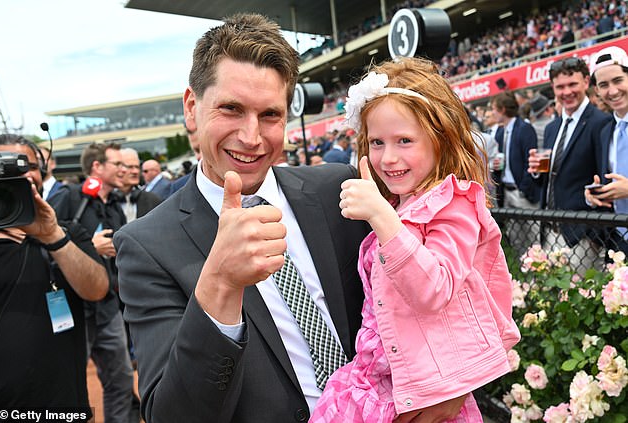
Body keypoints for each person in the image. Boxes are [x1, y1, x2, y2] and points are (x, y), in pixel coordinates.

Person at [113, 13, 466, 423]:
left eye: (270, 115)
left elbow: (441, 283)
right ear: (192, 108)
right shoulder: (146, 245)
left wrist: (454, 384)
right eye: (231, 109)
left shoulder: (342, 188)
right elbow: (173, 415)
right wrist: (220, 283)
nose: (251, 136)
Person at [310, 57, 520, 423]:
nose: (388, 158)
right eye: (377, 142)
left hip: (422, 391)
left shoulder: (453, 204)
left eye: (404, 140)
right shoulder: (398, 203)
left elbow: (434, 288)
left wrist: (381, 216)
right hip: (377, 378)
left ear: (440, 140)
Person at [0, 134, 108, 413]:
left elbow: (96, 289)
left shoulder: (69, 232)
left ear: (42, 172)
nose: (18, 174)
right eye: (1, 165)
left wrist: (53, 236)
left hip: (63, 406)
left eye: (27, 165)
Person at [49, 143, 139, 423]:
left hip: (108, 306)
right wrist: (89, 250)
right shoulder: (69, 197)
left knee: (122, 380)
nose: (124, 170)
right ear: (97, 167)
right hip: (72, 308)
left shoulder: (115, 206)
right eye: (117, 164)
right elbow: (45, 245)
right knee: (71, 384)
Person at [527, 56, 611, 272]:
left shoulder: (601, 123)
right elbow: (549, 179)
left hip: (581, 235)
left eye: (572, 84)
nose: (567, 92)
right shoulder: (552, 128)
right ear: (553, 88)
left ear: (585, 82)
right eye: (560, 87)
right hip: (549, 230)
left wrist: (591, 234)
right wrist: (537, 171)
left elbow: (603, 177)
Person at [586, 46, 628, 253]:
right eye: (604, 85)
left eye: (618, 80)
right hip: (618, 240)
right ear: (597, 91)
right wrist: (595, 194)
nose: (612, 91)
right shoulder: (605, 131)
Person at [117, 148, 162, 223]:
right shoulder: (104, 201)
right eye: (130, 167)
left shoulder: (152, 200)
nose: (135, 171)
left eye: (137, 167)